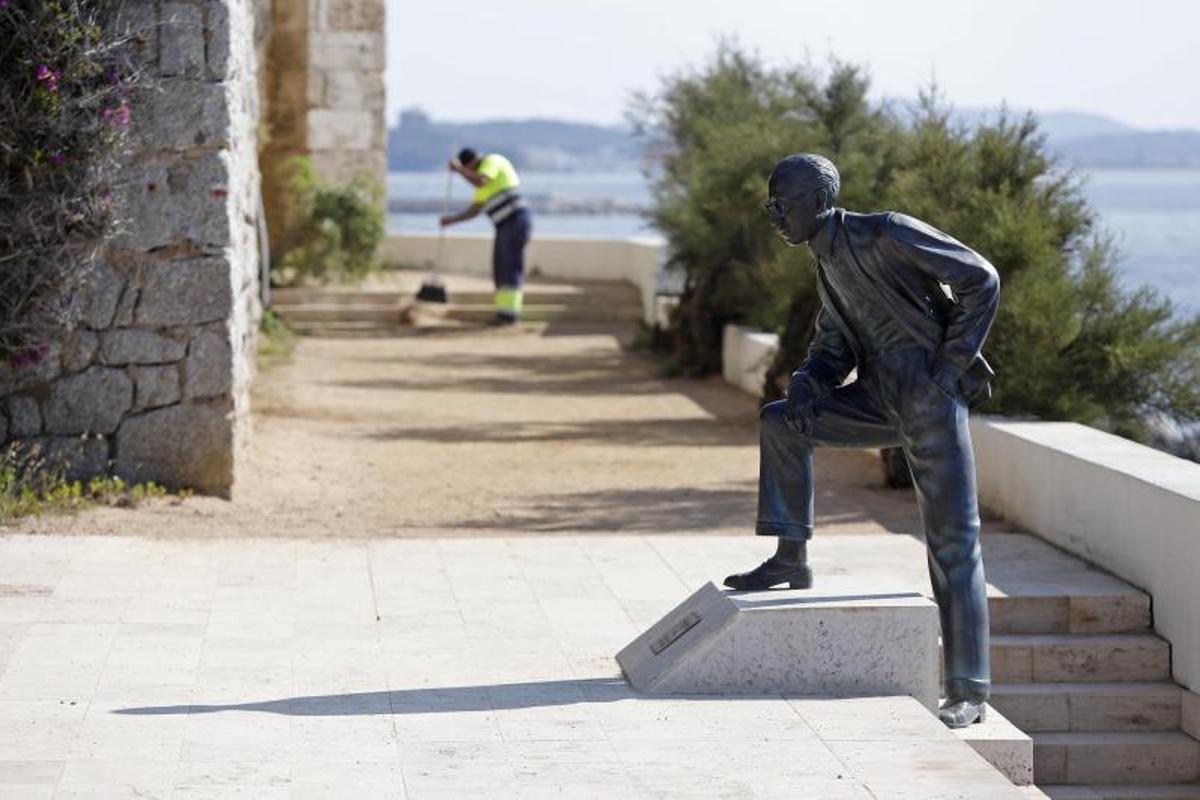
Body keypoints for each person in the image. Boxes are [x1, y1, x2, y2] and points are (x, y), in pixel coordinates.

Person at [724, 153, 1000, 729]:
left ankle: (969, 689)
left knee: (953, 543)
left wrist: (948, 370)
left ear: (819, 199)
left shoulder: (886, 231)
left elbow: (981, 278)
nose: (775, 216)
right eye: (770, 205)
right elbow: (836, 342)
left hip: (928, 397)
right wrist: (809, 381)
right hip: (877, 396)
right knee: (782, 422)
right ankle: (790, 558)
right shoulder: (826, 260)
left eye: (783, 204)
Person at [439, 148, 532, 325]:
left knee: (510, 265)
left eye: (470, 170)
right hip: (503, 225)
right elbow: (474, 210)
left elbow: (481, 181)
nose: (471, 174)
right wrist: (451, 220)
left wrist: (458, 170)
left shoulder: (492, 161)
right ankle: (504, 312)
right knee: (500, 267)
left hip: (516, 219)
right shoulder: (482, 188)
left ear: (473, 162)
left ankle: (510, 315)